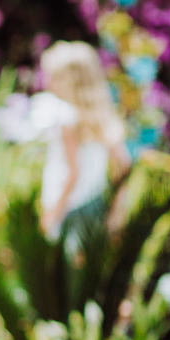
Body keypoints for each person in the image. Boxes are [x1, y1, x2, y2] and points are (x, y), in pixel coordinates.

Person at [36, 40, 132, 238]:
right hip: (93, 206)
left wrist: (54, 213)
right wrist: (117, 208)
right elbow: (124, 164)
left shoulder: (68, 118)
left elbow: (73, 173)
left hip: (68, 209)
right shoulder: (102, 119)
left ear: (72, 82)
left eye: (55, 77)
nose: (49, 83)